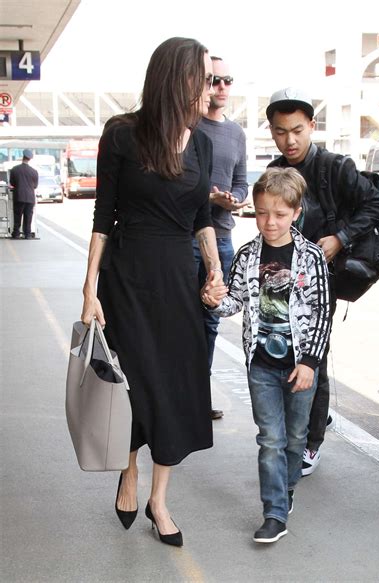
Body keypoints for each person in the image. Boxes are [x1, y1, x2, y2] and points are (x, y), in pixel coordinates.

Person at [80, 37, 223, 547]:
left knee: (174, 389)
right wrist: (89, 287)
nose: (209, 88)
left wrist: (214, 271)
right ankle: (129, 469)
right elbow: (104, 215)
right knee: (134, 385)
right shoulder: (122, 135)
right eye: (203, 77)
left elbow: (202, 218)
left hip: (176, 284)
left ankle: (159, 500)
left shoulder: (202, 143)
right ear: (175, 77)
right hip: (128, 279)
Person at [202, 167, 331, 543]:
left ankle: (287, 486)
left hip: (299, 368)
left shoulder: (311, 258)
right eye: (261, 213)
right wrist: (212, 300)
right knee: (270, 439)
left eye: (279, 214)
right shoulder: (246, 255)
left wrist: (310, 362)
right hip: (261, 364)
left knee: (294, 438)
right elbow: (234, 302)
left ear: (295, 212)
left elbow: (323, 313)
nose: (269, 222)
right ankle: (274, 512)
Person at [266, 88, 379, 476]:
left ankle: (310, 442)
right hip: (285, 281)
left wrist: (341, 239)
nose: (290, 140)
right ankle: (310, 422)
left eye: (297, 130)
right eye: (281, 131)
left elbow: (377, 204)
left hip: (323, 281)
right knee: (288, 354)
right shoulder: (274, 170)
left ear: (312, 127)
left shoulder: (335, 167)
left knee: (311, 356)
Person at [193, 56, 248, 420]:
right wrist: (206, 196)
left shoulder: (237, 133)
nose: (222, 87)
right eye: (214, 80)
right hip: (186, 238)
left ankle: (198, 398)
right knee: (181, 317)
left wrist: (236, 199)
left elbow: (242, 180)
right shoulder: (189, 127)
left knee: (212, 319)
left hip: (223, 238)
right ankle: (177, 396)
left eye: (227, 80)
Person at [9, 149, 39, 239]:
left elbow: (12, 183)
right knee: (28, 216)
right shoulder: (34, 171)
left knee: (17, 215)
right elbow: (35, 186)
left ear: (22, 157)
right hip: (30, 197)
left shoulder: (15, 169)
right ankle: (27, 234)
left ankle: (16, 233)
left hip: (19, 196)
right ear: (29, 159)